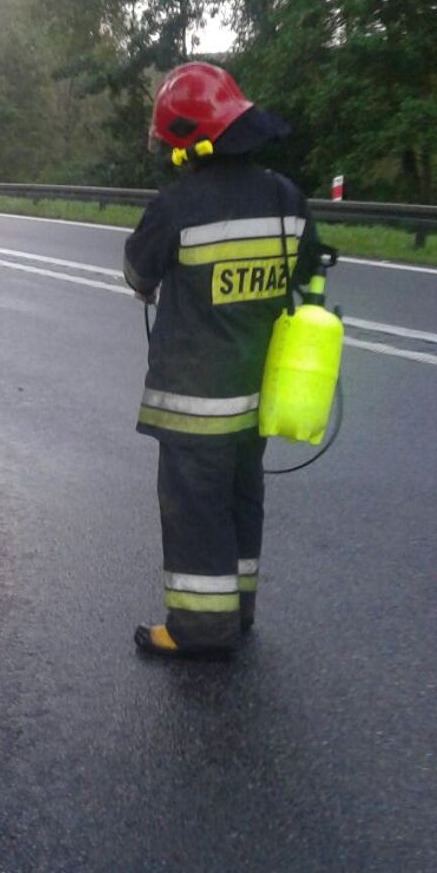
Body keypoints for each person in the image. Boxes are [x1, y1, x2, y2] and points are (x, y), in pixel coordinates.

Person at [123, 62, 320, 660]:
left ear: (190, 141)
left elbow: (138, 273)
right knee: (241, 502)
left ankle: (198, 631)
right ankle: (239, 612)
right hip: (260, 397)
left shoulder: (176, 206)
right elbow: (308, 274)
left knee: (195, 514)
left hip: (194, 402)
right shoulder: (286, 197)